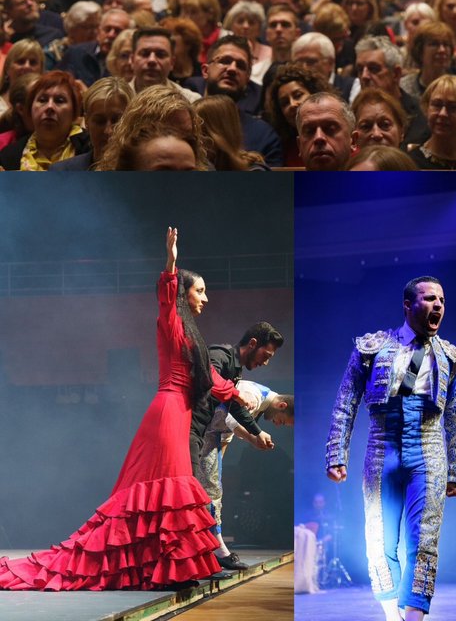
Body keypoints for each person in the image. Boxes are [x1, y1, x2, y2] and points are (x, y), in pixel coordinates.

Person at [0, 228, 239, 589]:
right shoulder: (170, 323)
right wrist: (171, 264)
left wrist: (238, 394)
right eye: (199, 290)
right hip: (167, 413)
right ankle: (176, 569)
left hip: (178, 414)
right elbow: (165, 296)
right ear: (182, 294)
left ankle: (178, 568)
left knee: (168, 495)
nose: (205, 297)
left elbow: (211, 381)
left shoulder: (193, 336)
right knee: (171, 492)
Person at [326, 276, 456, 621]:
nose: (438, 305)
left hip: (428, 449)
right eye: (430, 298)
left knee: (424, 538)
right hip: (381, 447)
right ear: (408, 305)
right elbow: (346, 401)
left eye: (442, 300)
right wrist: (335, 453)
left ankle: (415, 617)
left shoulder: (450, 357)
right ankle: (392, 615)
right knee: (379, 537)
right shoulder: (372, 347)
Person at [189, 322, 284, 569]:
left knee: (202, 492)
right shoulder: (222, 357)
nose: (266, 362)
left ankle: (205, 551)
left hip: (200, 433)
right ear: (253, 343)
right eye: (266, 355)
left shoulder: (235, 368)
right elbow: (225, 414)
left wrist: (255, 432)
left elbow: (231, 406)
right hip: (193, 431)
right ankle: (211, 551)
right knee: (205, 491)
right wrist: (255, 435)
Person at [196, 379, 293, 570]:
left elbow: (226, 430)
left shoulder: (261, 399)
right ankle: (217, 550)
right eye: (282, 421)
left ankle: (208, 547)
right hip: (201, 434)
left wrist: (219, 459)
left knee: (210, 493)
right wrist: (253, 438)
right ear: (282, 406)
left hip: (209, 438)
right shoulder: (255, 396)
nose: (279, 425)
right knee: (211, 495)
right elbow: (231, 420)